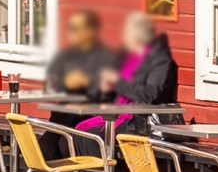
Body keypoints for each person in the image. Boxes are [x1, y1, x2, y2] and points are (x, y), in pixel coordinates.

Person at [76, 11, 177, 151]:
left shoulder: (160, 61)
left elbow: (150, 95)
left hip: (140, 122)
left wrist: (117, 81)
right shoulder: (132, 59)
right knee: (76, 132)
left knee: (90, 136)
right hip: (121, 115)